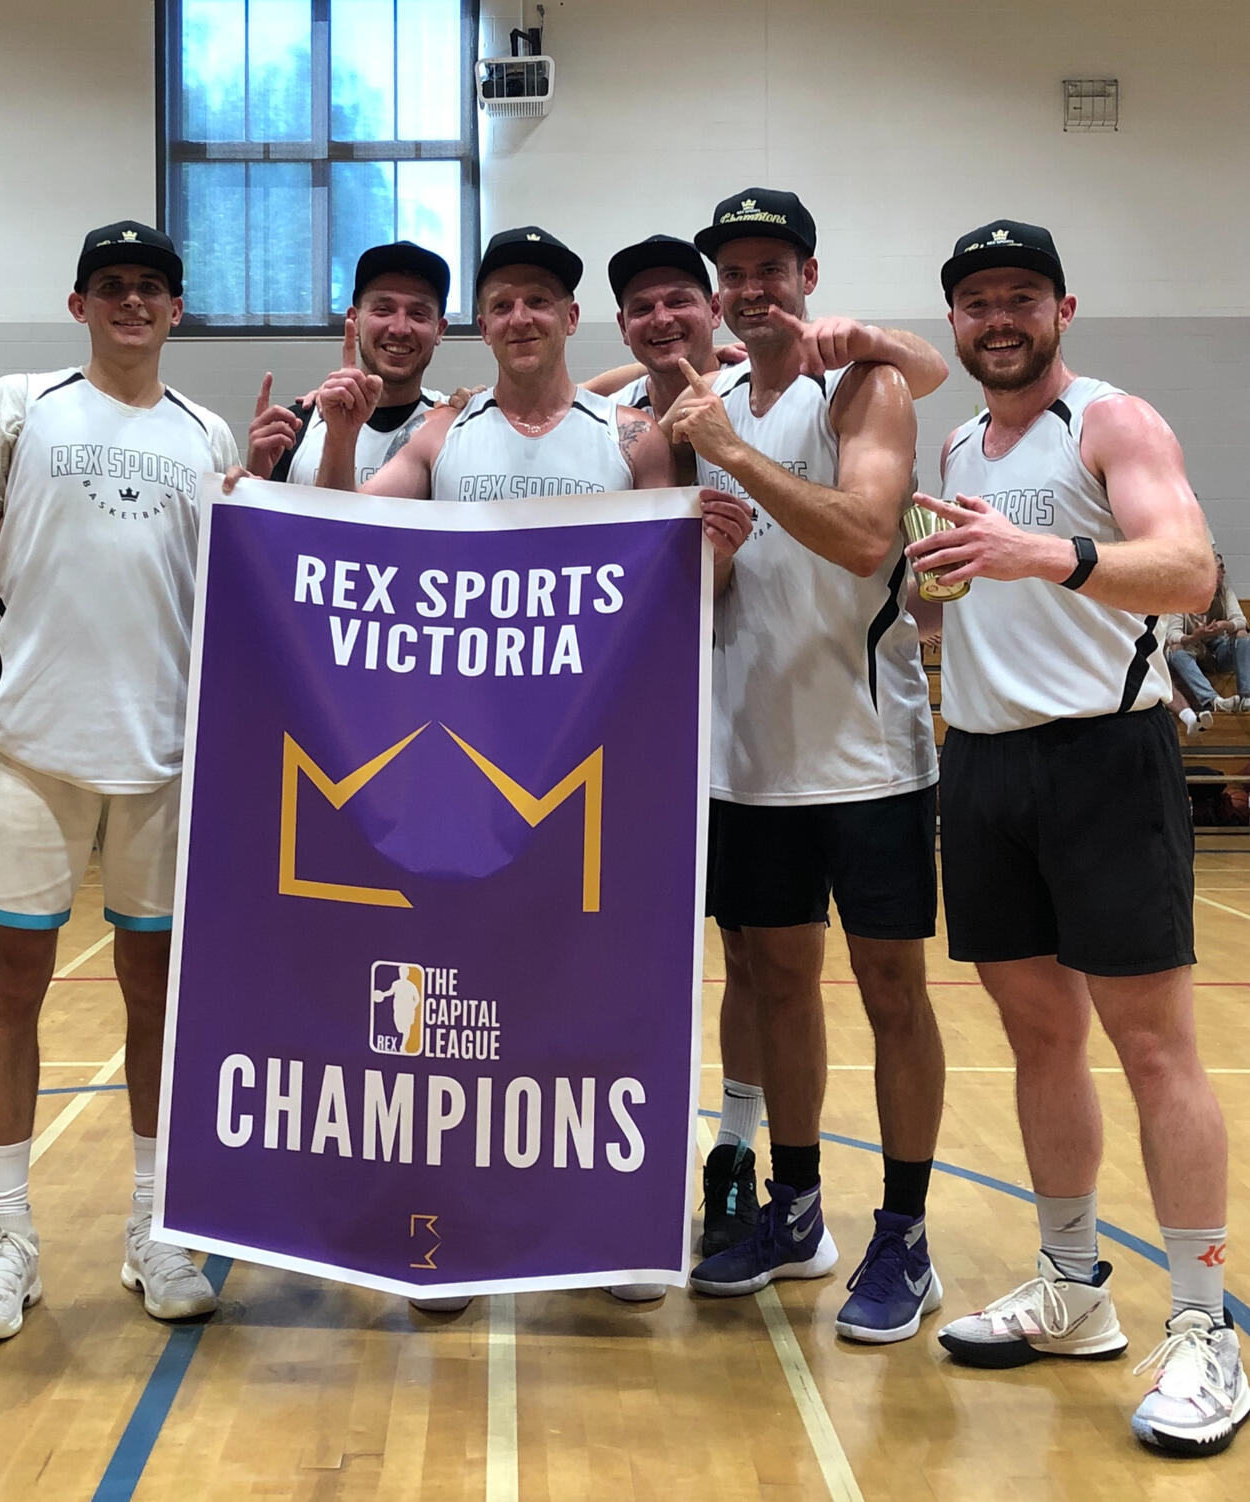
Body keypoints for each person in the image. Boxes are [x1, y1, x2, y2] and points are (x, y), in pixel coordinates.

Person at [299, 225, 753, 1309]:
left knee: (596, 989)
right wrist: (330, 447)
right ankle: (443, 1219)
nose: (519, 317)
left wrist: (719, 556)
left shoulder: (629, 435)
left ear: (568, 317)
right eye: (501, 300)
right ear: (484, 320)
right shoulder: (445, 433)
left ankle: (616, 1222)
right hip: (462, 777)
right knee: (449, 998)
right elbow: (339, 537)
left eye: (538, 300)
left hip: (593, 769)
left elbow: (680, 589)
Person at [906, 220, 1244, 1456]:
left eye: (1022, 296)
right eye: (977, 300)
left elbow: (1190, 571)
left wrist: (1040, 552)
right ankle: (1071, 1286)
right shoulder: (959, 442)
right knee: (1038, 1034)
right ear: (955, 320)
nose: (999, 317)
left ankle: (1205, 1325)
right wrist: (942, 588)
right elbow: (984, 590)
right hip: (986, 763)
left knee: (1153, 1046)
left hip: (1107, 757)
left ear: (1063, 307)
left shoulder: (1112, 421)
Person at [0, 220, 238, 1341]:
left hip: (168, 756)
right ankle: (8, 1237)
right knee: (12, 985)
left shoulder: (207, 433)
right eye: (111, 285)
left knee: (158, 995)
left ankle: (156, 1225)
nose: (131, 301)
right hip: (32, 744)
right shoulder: (20, 407)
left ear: (175, 309)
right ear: (79, 303)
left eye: (150, 287)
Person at [594, 233, 953, 1259]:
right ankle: (793, 1207)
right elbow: (602, 392)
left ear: (809, 278)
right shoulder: (701, 401)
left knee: (892, 994)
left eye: (772, 270)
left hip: (868, 753)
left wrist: (740, 450)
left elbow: (867, 536)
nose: (754, 289)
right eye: (735, 276)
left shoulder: (860, 387)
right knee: (779, 987)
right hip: (746, 756)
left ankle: (904, 1234)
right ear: (720, 298)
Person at [246, 241, 449, 487]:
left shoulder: (456, 425)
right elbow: (263, 510)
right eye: (383, 309)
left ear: (440, 330)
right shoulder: (297, 427)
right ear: (354, 319)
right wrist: (254, 480)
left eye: (418, 314)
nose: (399, 328)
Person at [1166, 551, 1249, 715]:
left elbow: (1241, 621)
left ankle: (1246, 697)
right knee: (1174, 649)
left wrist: (1225, 625)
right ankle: (1212, 700)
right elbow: (1172, 634)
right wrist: (1194, 637)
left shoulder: (1225, 592)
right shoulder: (1182, 595)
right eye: (1220, 568)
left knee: (1242, 634)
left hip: (1219, 649)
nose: (1224, 572)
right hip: (1194, 650)